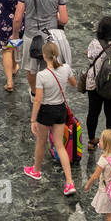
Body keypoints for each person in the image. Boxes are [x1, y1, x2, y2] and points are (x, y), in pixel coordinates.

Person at [27, 40, 78, 195]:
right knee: (59, 145)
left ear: (44, 56)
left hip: (46, 111)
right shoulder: (66, 68)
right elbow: (74, 83)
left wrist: (33, 119)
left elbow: (38, 100)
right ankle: (70, 182)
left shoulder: (42, 76)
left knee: (41, 142)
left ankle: (36, 170)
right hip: (60, 109)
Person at [11, 0, 69, 93]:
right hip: (50, 38)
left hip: (31, 36)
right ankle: (48, 94)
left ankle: (33, 92)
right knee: (50, 67)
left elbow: (18, 17)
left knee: (31, 69)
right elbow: (64, 20)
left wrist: (15, 34)